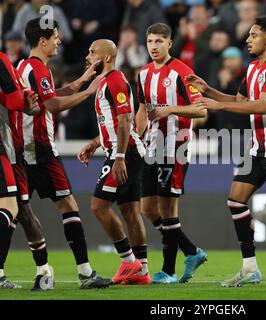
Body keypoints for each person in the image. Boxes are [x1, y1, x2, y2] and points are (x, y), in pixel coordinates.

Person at [187, 15, 266, 288]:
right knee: (235, 201)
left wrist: (219, 107)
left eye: (253, 35)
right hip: (255, 146)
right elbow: (240, 100)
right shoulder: (253, 67)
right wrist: (210, 91)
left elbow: (262, 106)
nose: (247, 39)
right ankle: (250, 269)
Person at [17, 18, 112, 289]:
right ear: (43, 41)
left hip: (21, 148)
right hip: (40, 148)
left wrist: (83, 79)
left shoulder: (25, 66)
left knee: (17, 212)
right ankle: (85, 273)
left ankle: (27, 274)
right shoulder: (39, 69)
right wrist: (90, 91)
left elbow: (53, 94)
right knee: (68, 206)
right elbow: (55, 104)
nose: (60, 41)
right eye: (56, 37)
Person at [136, 23, 208, 284]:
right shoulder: (142, 74)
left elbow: (201, 110)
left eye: (159, 41)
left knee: (167, 207)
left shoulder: (182, 72)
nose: (153, 46)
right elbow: (143, 110)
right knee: (147, 207)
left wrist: (170, 110)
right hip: (151, 147)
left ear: (169, 44)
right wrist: (135, 138)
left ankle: (168, 270)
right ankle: (191, 251)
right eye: (150, 41)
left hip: (175, 146)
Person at [78, 39, 150, 285]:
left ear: (107, 57)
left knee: (99, 206)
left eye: (92, 52)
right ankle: (142, 271)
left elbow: (124, 120)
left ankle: (129, 262)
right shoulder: (105, 83)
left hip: (125, 153)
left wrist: (118, 157)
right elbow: (111, 123)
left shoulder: (115, 81)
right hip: (127, 151)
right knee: (130, 210)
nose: (88, 56)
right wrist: (94, 143)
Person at [0, 51, 42, 290]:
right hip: (8, 146)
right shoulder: (3, 60)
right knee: (12, 207)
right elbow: (18, 102)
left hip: (14, 148)